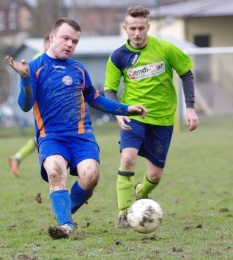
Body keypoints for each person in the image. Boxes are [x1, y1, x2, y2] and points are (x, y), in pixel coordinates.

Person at [5, 17, 147, 239]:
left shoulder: (78, 69)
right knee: (55, 171)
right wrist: (24, 79)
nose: (70, 44)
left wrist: (126, 109)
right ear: (52, 38)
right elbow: (24, 106)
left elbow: (96, 99)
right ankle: (66, 226)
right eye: (65, 38)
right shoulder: (34, 68)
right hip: (51, 137)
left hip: (82, 136)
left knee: (90, 176)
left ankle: (63, 211)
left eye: (74, 41)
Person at [104, 5, 199, 228]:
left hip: (163, 119)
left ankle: (139, 193)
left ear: (148, 27)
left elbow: (186, 74)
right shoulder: (118, 56)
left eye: (141, 28)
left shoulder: (165, 49)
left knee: (155, 176)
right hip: (133, 116)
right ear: (125, 28)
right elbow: (109, 89)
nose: (137, 33)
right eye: (132, 28)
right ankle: (123, 214)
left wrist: (191, 108)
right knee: (127, 158)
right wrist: (118, 112)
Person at [9, 33, 50, 178]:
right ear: (45, 44)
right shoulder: (38, 58)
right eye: (48, 44)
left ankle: (17, 158)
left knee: (41, 136)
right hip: (40, 104)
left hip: (49, 104)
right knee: (44, 135)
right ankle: (17, 157)